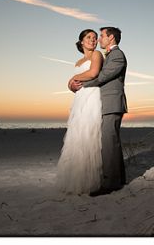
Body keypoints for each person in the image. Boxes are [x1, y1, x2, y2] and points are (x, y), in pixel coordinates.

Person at [70, 27, 127, 196]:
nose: (99, 39)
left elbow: (101, 76)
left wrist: (81, 84)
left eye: (101, 36)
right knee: (111, 142)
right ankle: (119, 179)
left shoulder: (117, 55)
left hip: (112, 103)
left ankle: (110, 184)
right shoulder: (109, 55)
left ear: (111, 38)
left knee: (109, 143)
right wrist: (73, 85)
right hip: (106, 103)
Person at [57, 29, 104, 195]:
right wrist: (70, 86)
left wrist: (72, 79)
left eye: (95, 38)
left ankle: (91, 181)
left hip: (92, 96)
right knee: (77, 135)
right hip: (79, 98)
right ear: (81, 41)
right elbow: (75, 86)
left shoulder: (97, 55)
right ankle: (77, 178)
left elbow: (93, 73)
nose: (93, 40)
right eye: (89, 37)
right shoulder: (78, 61)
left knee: (89, 133)